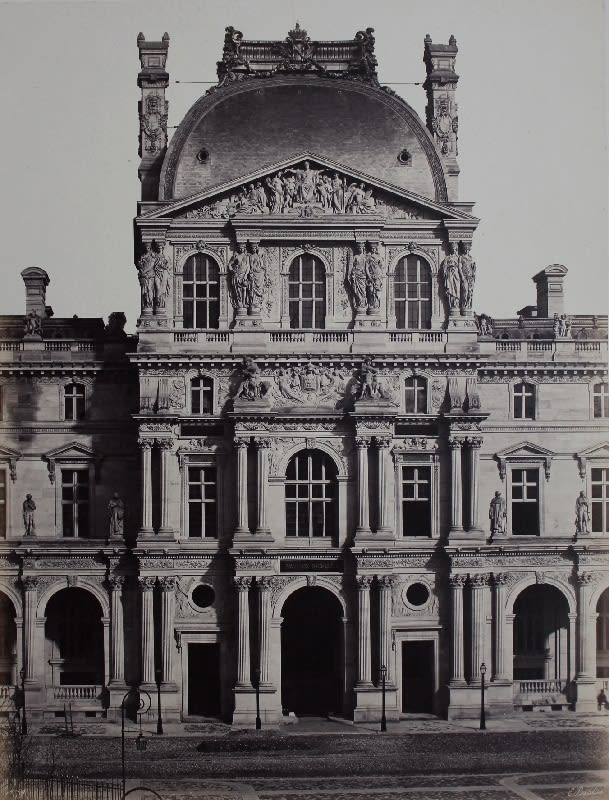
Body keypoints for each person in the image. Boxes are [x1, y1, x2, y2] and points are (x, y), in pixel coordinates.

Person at [228, 243, 250, 309]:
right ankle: (240, 302)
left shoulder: (247, 256)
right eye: (240, 248)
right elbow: (229, 264)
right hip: (237, 274)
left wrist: (246, 274)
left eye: (242, 248)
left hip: (244, 274)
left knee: (244, 288)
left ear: (244, 248)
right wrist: (233, 271)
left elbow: (248, 266)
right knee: (238, 290)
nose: (241, 249)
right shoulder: (236, 256)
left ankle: (244, 302)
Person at [347, 243, 368, 311]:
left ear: (363, 249)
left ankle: (362, 304)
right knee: (356, 290)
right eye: (359, 248)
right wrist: (350, 273)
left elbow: (366, 268)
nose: (360, 249)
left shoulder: (365, 257)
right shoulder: (355, 257)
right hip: (356, 275)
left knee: (363, 291)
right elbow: (351, 266)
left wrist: (369, 277)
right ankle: (359, 303)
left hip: (363, 276)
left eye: (361, 248)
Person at [441, 243, 460, 310]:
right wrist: (448, 269)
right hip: (449, 275)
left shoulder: (459, 258)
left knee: (457, 289)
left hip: (456, 275)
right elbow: (444, 267)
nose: (453, 250)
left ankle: (456, 304)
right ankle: (452, 304)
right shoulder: (447, 258)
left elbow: (461, 268)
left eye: (455, 248)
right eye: (452, 248)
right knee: (451, 290)